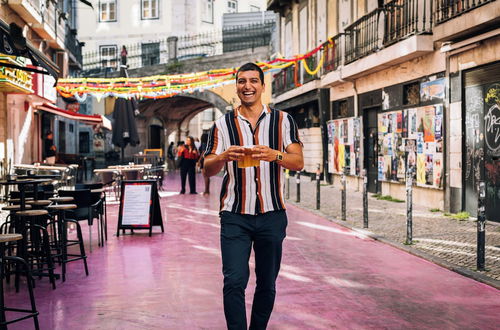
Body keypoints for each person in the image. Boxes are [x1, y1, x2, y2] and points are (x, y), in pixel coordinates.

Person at [203, 62, 304, 330]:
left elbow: (298, 162)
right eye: (242, 81)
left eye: (253, 81)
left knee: (267, 282)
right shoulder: (222, 125)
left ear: (262, 85)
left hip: (272, 215)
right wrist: (223, 156)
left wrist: (275, 155)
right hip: (234, 216)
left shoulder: (283, 121)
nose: (247, 86)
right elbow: (206, 168)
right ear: (236, 85)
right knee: (234, 281)